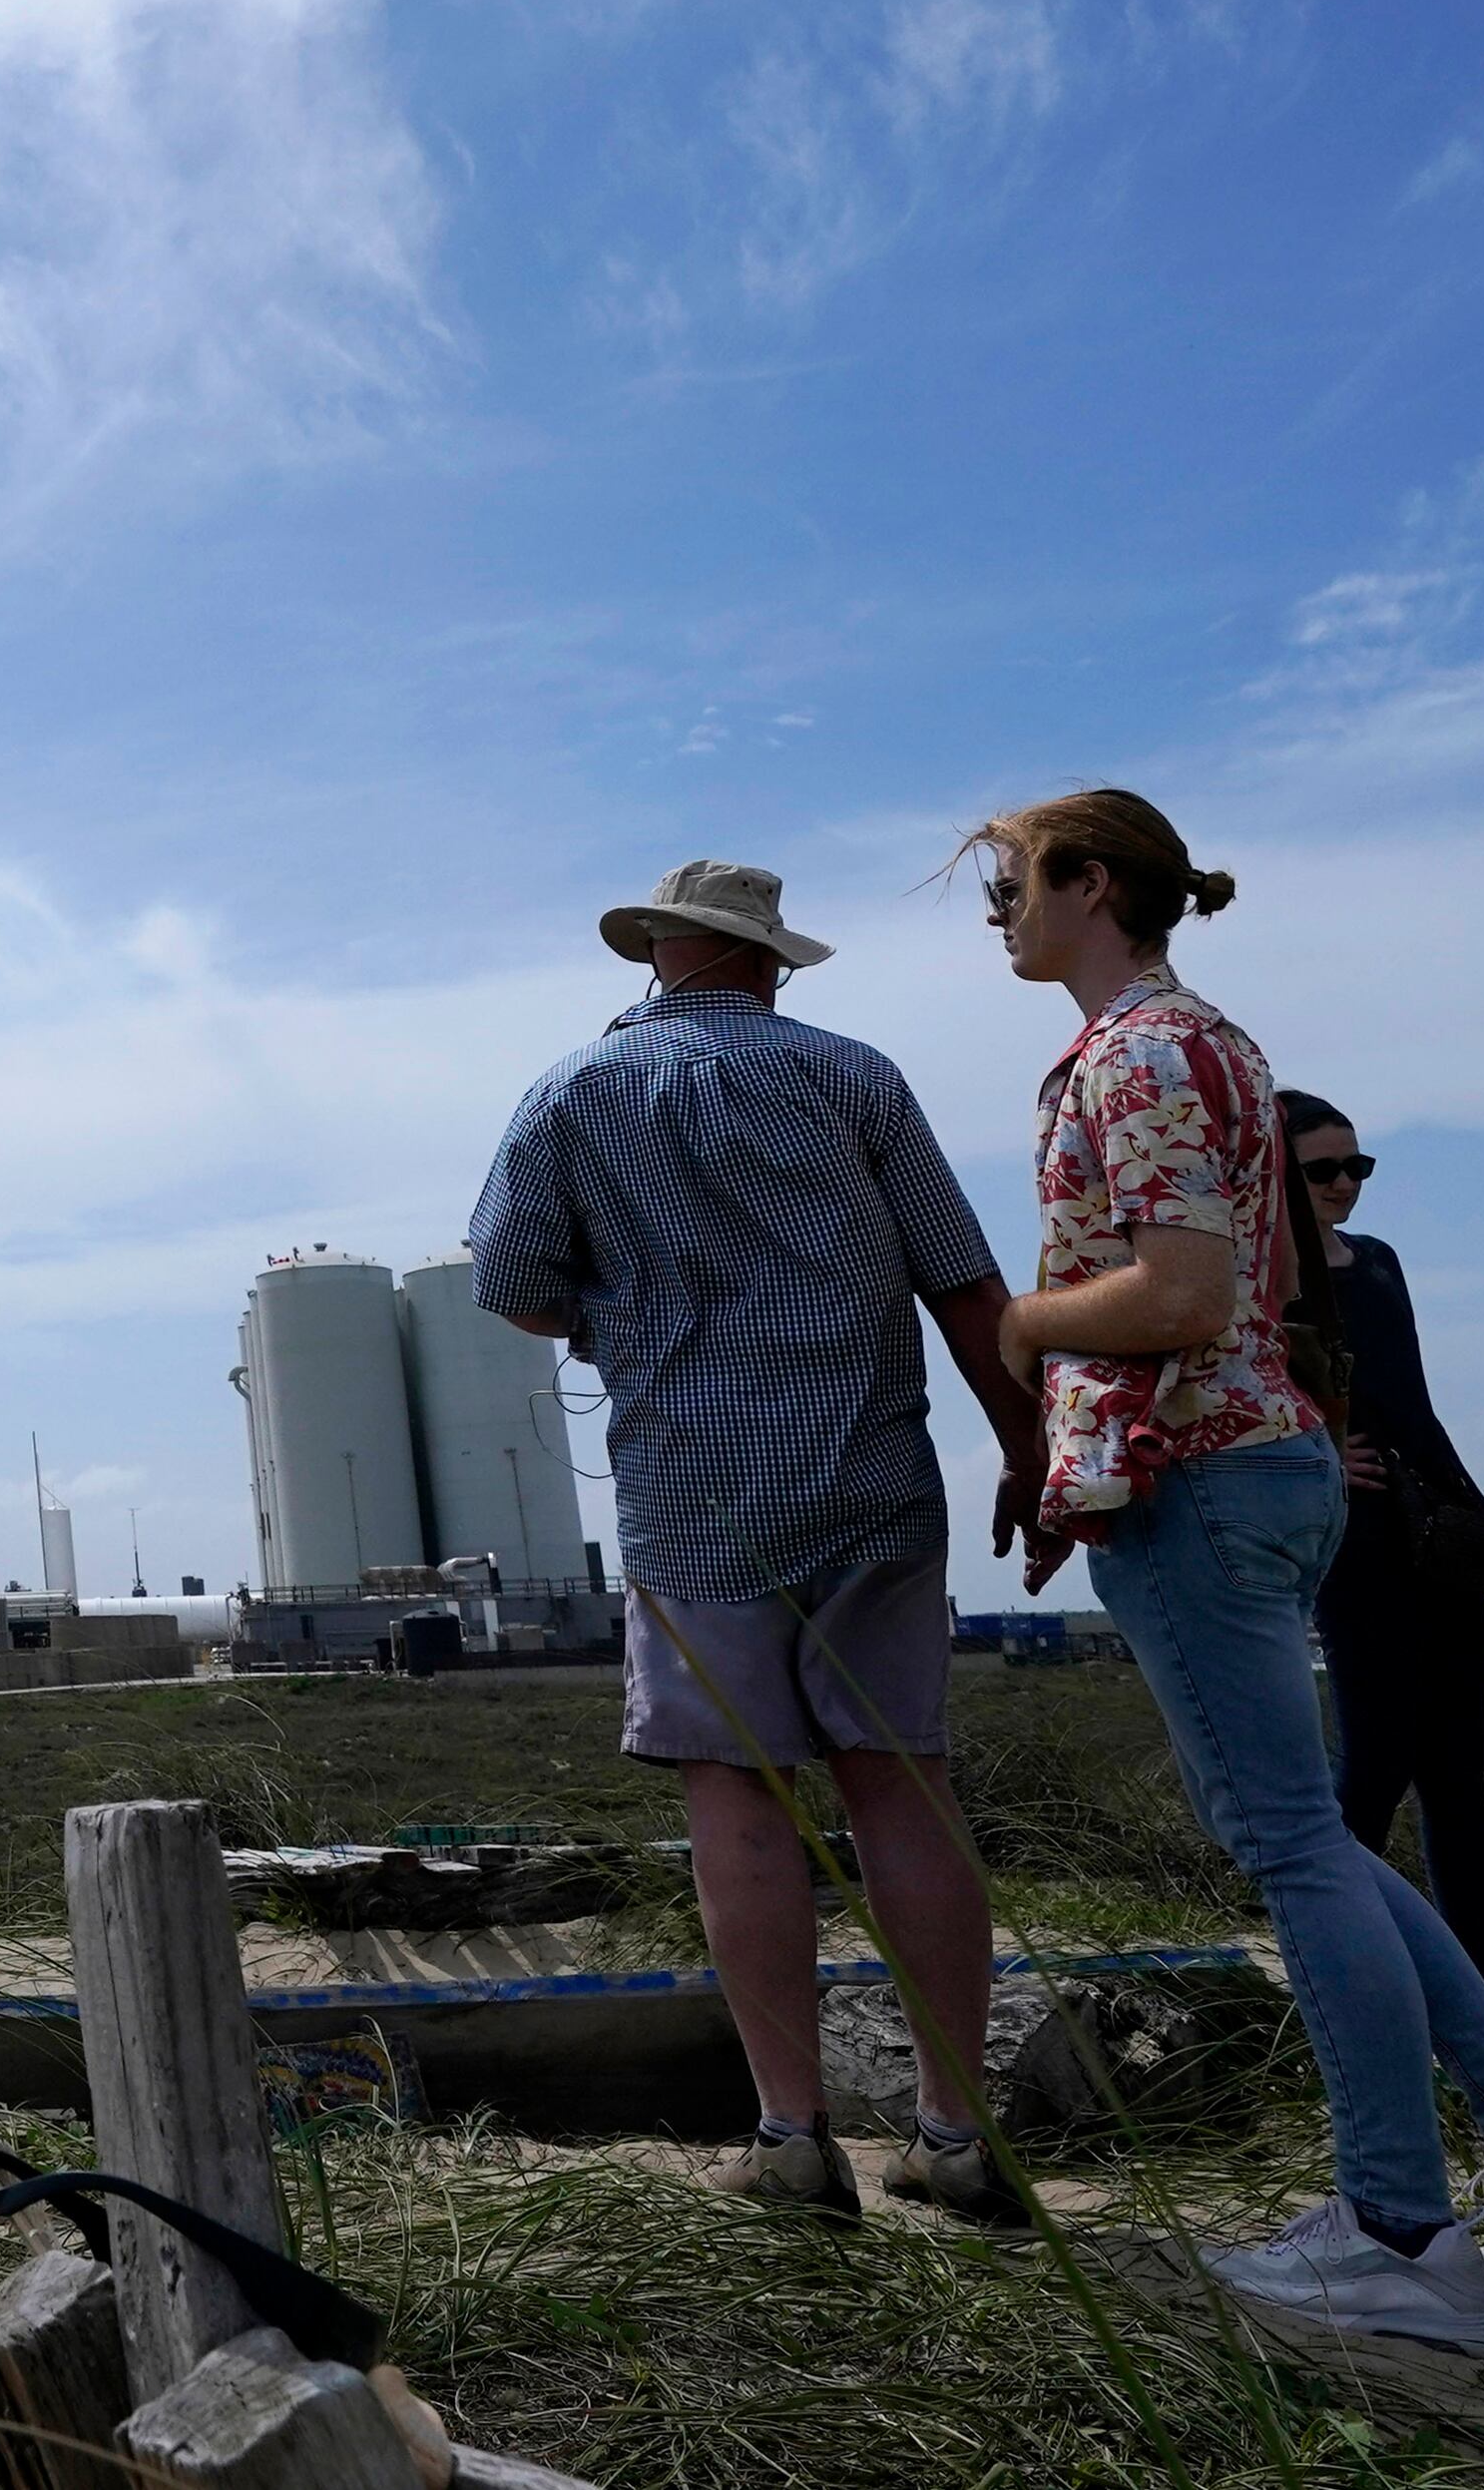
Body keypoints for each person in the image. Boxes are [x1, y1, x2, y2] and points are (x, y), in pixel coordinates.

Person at [981, 792, 1484, 2349]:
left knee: (1294, 1850)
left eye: (1011, 884)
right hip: (1251, 1462)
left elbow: (1179, 1293)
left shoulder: (1144, 1052)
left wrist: (1022, 1328)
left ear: (1091, 883)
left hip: (1199, 1474)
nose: (998, 914)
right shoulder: (1209, 1044)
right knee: (1319, 1836)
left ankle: (1397, 2229)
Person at [468, 858, 1035, 2228]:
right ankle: (955, 2137)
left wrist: (632, 1304)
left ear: (657, 951)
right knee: (904, 1785)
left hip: (696, 1491)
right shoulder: (857, 1078)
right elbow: (964, 1283)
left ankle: (793, 2137)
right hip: (873, 1477)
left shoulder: (572, 1092)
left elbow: (509, 1281)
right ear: (773, 961)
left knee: (739, 1801)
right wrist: (1031, 1446)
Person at [1282, 1088, 1484, 2003]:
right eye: (1323, 1168)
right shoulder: (1251, 1270)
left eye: (1359, 1166)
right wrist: (1309, 1453)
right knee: (1374, 1765)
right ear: (1272, 1168)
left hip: (1430, 1533)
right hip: (1346, 1540)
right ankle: (1345, 1994)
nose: (1347, 1183)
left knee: (1456, 1778)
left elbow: (1416, 1408)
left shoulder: (1379, 1262)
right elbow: (1220, 1393)